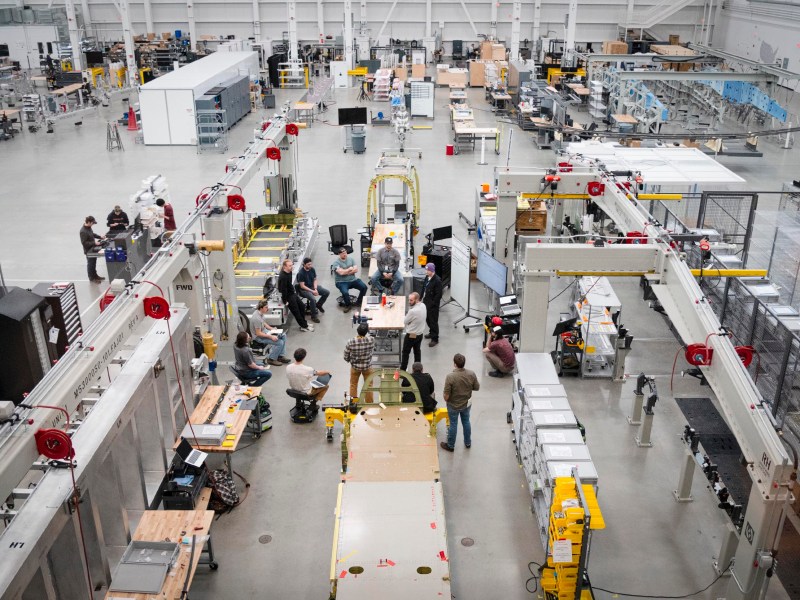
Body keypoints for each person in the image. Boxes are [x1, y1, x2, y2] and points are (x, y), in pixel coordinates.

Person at [440, 353, 480, 452]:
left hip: (453, 405)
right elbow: (477, 387)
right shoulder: (471, 374)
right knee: (466, 421)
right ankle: (468, 442)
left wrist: (447, 399)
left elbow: (446, 396)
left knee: (453, 424)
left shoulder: (450, 377)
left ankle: (450, 445)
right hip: (466, 404)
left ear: (454, 364)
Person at [249, 299, 291, 366]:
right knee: (280, 342)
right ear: (261, 308)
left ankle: (280, 356)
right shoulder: (256, 318)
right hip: (259, 337)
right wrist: (271, 336)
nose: (267, 309)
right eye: (266, 307)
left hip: (264, 332)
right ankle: (271, 359)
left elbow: (264, 323)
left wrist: (272, 329)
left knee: (283, 335)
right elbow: (258, 333)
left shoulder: (260, 313)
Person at [277, 259, 314, 332]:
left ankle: (304, 323)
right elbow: (283, 290)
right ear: (284, 267)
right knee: (296, 312)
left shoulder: (289, 272)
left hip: (292, 293)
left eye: (292, 265)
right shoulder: (283, 276)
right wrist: (285, 301)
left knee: (302, 307)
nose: (292, 267)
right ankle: (304, 326)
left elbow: (289, 284)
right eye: (290, 265)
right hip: (288, 296)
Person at [343, 323, 375, 403]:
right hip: (367, 367)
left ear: (357, 331)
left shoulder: (351, 342)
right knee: (369, 386)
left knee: (353, 385)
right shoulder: (371, 340)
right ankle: (369, 405)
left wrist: (350, 361)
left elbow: (346, 356)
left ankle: (354, 403)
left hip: (355, 367)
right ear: (367, 331)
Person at [332, 247, 367, 313]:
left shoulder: (351, 259)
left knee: (364, 287)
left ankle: (359, 302)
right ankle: (348, 305)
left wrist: (346, 272)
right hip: (341, 282)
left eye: (345, 253)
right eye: (342, 253)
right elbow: (341, 273)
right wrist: (349, 269)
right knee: (345, 292)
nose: (344, 254)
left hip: (353, 280)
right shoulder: (336, 263)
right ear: (339, 254)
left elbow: (356, 270)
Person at [296, 257, 330, 323]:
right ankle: (313, 316)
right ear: (304, 264)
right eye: (308, 264)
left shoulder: (312, 269)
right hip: (304, 290)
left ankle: (319, 305)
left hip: (312, 287)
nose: (310, 266)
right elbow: (302, 286)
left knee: (326, 292)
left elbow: (315, 279)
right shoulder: (301, 273)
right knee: (312, 299)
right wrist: (312, 291)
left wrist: (315, 289)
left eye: (311, 264)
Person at [400, 292, 427, 371]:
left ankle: (403, 370)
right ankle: (418, 370)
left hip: (411, 335)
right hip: (420, 334)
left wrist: (409, 320)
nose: (409, 302)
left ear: (417, 300)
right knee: (417, 352)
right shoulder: (423, 306)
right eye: (409, 300)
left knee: (405, 352)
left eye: (411, 300)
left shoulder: (413, 311)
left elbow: (405, 321)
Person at [421, 263, 443, 347]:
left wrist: (433, 303)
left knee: (433, 321)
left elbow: (439, 295)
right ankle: (431, 333)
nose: (426, 271)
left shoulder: (437, 280)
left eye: (427, 270)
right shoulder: (427, 277)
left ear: (432, 270)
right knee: (427, 319)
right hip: (426, 302)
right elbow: (424, 288)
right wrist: (420, 298)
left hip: (433, 305)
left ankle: (435, 339)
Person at [80, 216, 105, 284]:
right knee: (90, 264)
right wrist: (94, 243)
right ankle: (92, 278)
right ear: (88, 222)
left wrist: (100, 237)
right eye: (92, 223)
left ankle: (95, 276)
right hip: (88, 251)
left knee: (94, 263)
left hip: (93, 249)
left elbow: (92, 234)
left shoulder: (88, 228)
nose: (93, 224)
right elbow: (84, 243)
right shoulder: (83, 231)